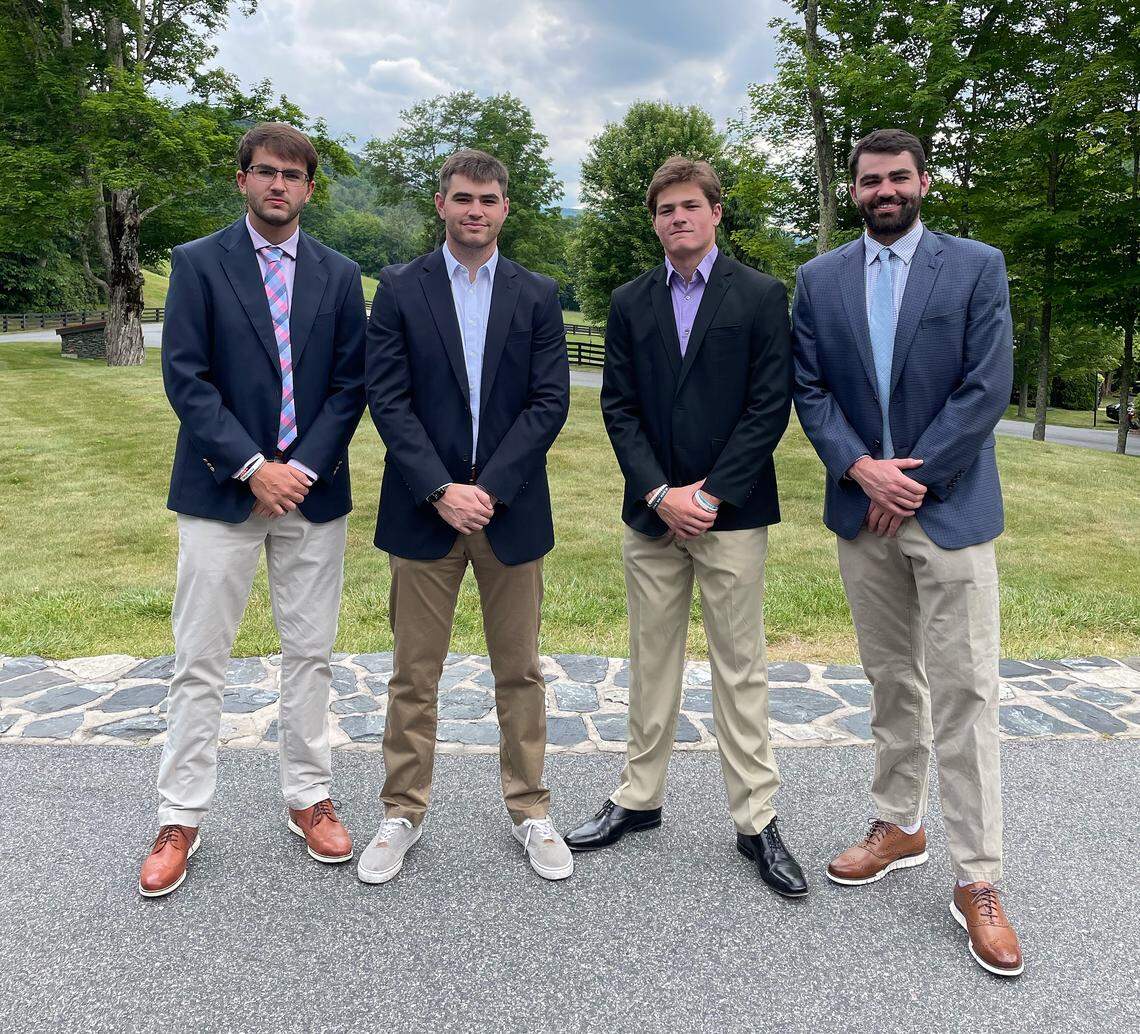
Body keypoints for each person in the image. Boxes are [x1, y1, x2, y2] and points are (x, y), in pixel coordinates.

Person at [792, 128, 1022, 976]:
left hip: (947, 508)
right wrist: (860, 468)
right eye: (868, 181)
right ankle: (901, 823)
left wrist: (912, 479)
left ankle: (979, 879)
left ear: (923, 181)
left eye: (897, 177)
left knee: (965, 691)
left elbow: (986, 385)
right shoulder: (818, 282)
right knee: (891, 679)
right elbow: (808, 388)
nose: (883, 190)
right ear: (852, 190)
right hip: (864, 516)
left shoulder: (975, 266)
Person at [563, 157, 806, 899]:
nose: (678, 218)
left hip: (731, 516)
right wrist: (662, 493)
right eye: (665, 209)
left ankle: (756, 819)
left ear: (715, 213)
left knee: (741, 666)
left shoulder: (761, 296)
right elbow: (619, 407)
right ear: (656, 221)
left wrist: (712, 496)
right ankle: (638, 799)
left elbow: (770, 405)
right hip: (653, 514)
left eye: (690, 206)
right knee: (651, 660)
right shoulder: (630, 301)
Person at [139, 123, 367, 897]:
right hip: (219, 491)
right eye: (265, 172)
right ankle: (180, 815)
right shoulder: (198, 265)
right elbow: (187, 378)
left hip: (312, 493)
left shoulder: (339, 276)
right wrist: (251, 468)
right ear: (242, 180)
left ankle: (309, 797)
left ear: (309, 188)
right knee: (200, 659)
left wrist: (297, 470)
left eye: (293, 176)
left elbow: (348, 385)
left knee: (311, 655)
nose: (279, 185)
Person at [360, 148, 572, 884]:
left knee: (519, 671)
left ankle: (531, 810)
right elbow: (386, 398)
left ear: (505, 207)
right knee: (414, 674)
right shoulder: (399, 287)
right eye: (462, 198)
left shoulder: (538, 293)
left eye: (487, 198)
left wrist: (491, 488)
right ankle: (401, 812)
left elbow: (551, 400)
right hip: (424, 512)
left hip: (510, 513)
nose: (474, 210)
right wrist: (442, 488)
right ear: (441, 203)